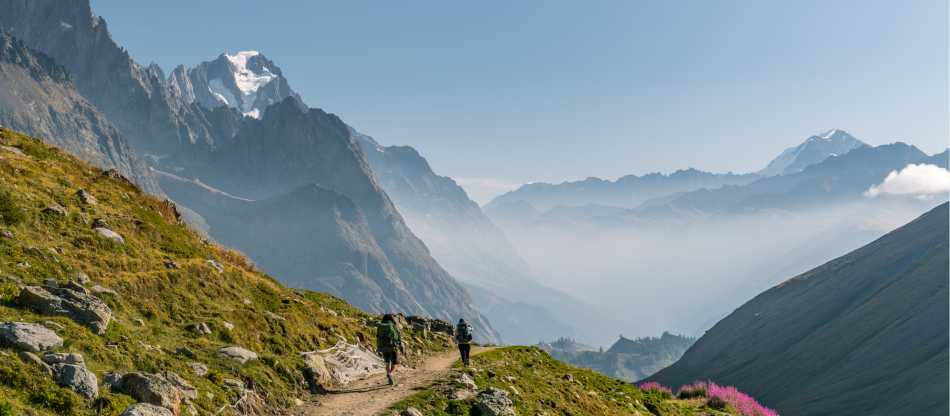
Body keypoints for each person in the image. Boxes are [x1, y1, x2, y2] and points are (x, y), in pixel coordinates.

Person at [376, 314, 404, 385]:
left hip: (383, 346)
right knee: (394, 363)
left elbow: (378, 337)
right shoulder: (393, 326)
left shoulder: (380, 326)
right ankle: (390, 373)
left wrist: (378, 348)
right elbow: (398, 337)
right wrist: (400, 346)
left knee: (387, 362)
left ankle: (388, 373)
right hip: (393, 346)